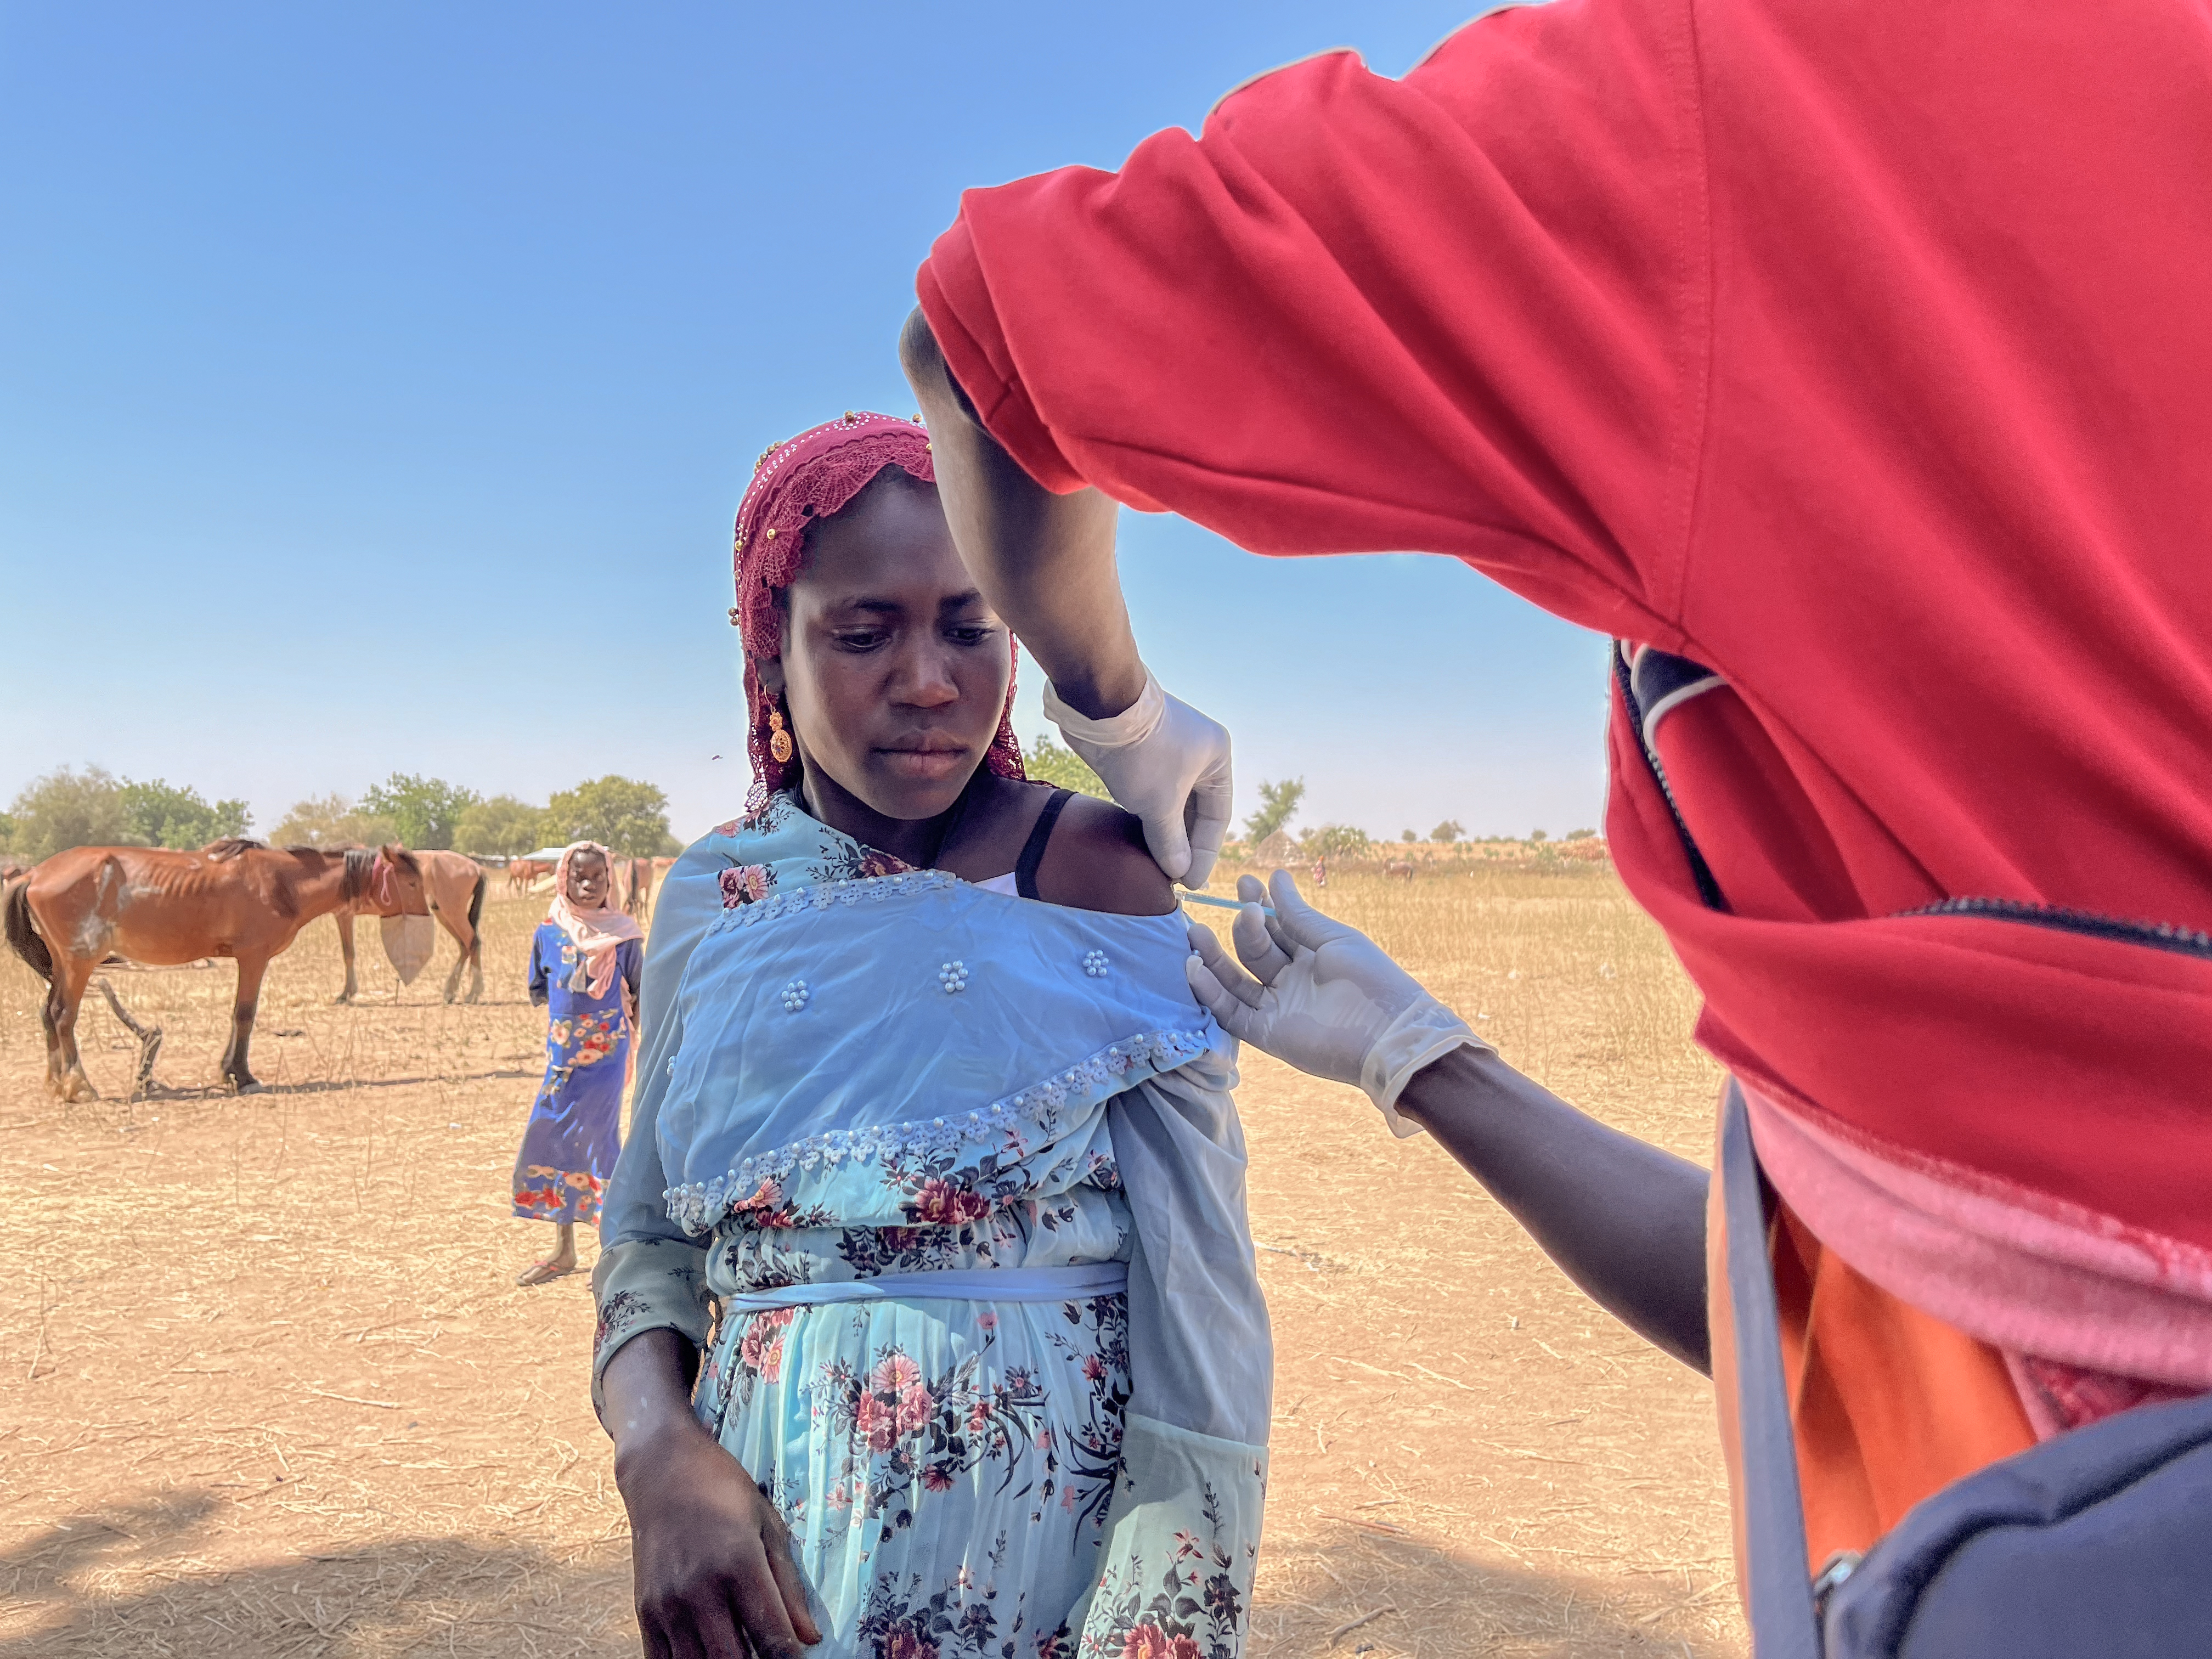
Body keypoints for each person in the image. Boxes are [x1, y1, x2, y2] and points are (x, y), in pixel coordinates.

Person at [899, 0, 2212, 1626]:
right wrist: (1426, 1065)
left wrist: (1118, 709)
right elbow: (1824, 1321)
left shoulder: (1736, 93)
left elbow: (988, 339)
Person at [589, 413, 1270, 1659]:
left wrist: (1162, 1615)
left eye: (972, 625)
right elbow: (644, 1237)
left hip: (1057, 1571)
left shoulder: (1094, 877)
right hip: (768, 1566)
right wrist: (656, 1449)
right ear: (770, 651)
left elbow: (1201, 1290)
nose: (928, 680)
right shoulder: (715, 898)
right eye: (862, 632)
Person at [512, 840, 644, 1286]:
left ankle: (613, 1251)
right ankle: (563, 1251)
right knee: (551, 1135)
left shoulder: (624, 936)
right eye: (579, 877)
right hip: (562, 1059)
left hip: (607, 1059)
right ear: (563, 879)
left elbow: (642, 994)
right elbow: (540, 990)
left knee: (599, 1141)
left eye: (598, 877)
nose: (588, 885)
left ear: (611, 881)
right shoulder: (548, 932)